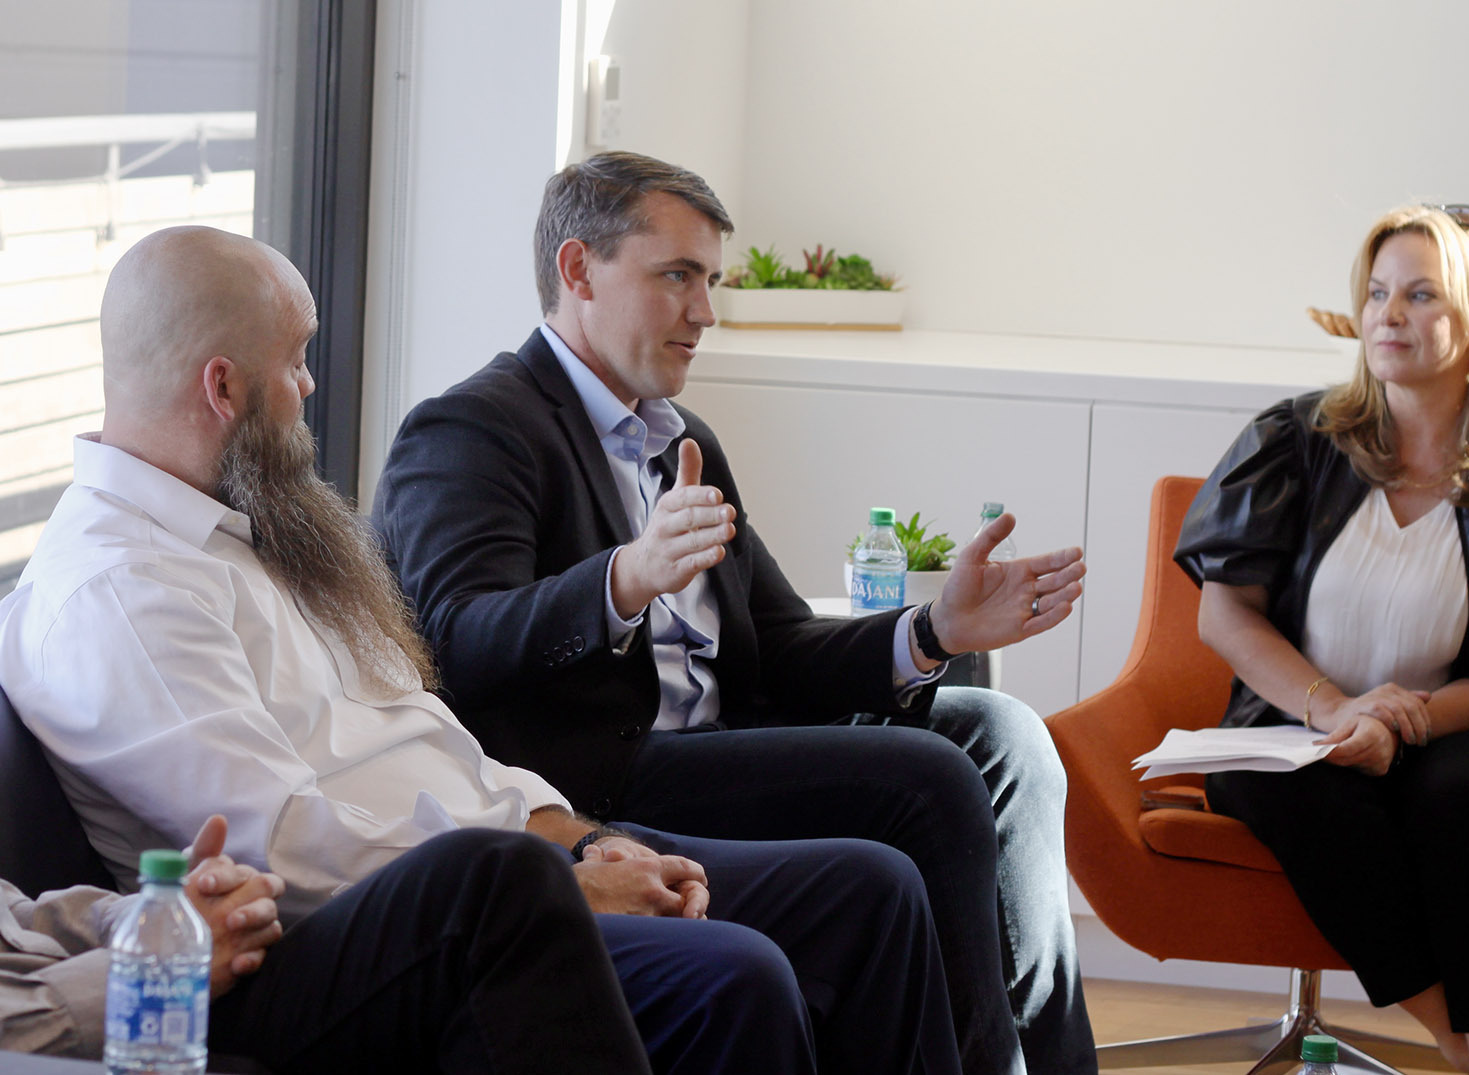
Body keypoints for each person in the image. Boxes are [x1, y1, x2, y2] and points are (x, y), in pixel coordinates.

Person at [0, 225, 962, 1075]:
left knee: (866, 894)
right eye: (296, 361)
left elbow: (429, 733)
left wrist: (580, 839)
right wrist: (562, 886)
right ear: (223, 387)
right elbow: (281, 848)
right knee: (737, 971)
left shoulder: (254, 532)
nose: (308, 386)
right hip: (346, 940)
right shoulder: (117, 591)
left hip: (496, 866)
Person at [373, 150, 1095, 1075]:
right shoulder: (476, 426)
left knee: (1003, 733)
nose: (705, 312)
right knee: (929, 778)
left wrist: (935, 633)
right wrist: (623, 578)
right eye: (677, 275)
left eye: (708, 280)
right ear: (579, 269)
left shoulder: (686, 439)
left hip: (722, 742)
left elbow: (781, 647)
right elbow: (461, 639)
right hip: (604, 774)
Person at [1175, 204, 1469, 1075]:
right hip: (1299, 716)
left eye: (1419, 294)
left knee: (1461, 801)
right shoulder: (1293, 442)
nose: (1387, 314)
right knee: (1303, 795)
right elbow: (1224, 614)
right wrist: (1336, 711)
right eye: (1376, 293)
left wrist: (1398, 723)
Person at [3, 815, 660, 1074]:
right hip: (86, 1033)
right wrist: (148, 970)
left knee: (501, 872)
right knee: (494, 879)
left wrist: (164, 913)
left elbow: (26, 918)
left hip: (136, 982)